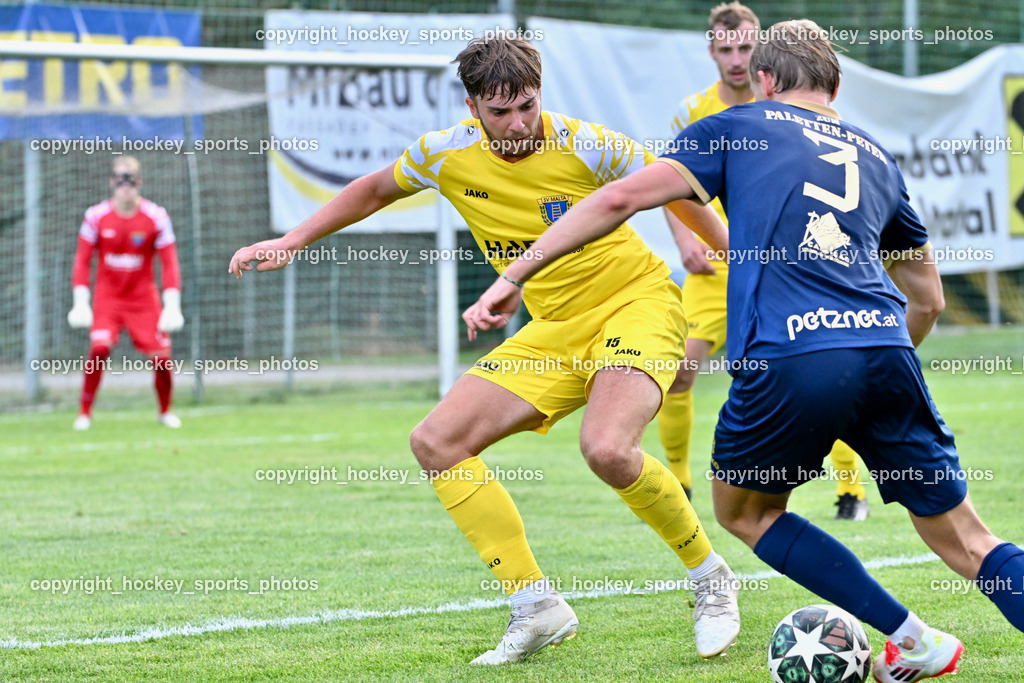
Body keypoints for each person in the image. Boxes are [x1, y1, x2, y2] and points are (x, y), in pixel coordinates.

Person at [467, 19, 1024, 682]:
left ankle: (912, 635)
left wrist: (512, 276)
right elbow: (927, 299)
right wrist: (871, 368)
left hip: (789, 353)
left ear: (761, 80)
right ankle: (922, 638)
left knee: (745, 510)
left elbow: (618, 198)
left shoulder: (735, 125)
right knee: (969, 538)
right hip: (885, 347)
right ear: (835, 86)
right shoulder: (875, 155)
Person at [229, 36, 740, 665]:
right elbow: (373, 190)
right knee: (436, 442)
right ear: (471, 105)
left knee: (607, 448)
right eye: (500, 112)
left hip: (636, 303)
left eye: (527, 105)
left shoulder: (589, 142)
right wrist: (294, 238)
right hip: (553, 326)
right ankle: (535, 604)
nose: (518, 123)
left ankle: (710, 576)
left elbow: (679, 191)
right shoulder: (445, 154)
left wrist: (738, 264)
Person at [658, 2, 869, 521]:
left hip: (782, 264)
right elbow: (668, 181)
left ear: (763, 54)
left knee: (817, 369)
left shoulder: (787, 104)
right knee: (681, 368)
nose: (736, 59)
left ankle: (850, 491)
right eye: (725, 48)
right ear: (711, 50)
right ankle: (680, 483)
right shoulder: (694, 110)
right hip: (718, 259)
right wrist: (687, 240)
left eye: (745, 48)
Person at [67, 156, 184, 430]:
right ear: (111, 183)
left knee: (162, 356)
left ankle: (165, 411)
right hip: (108, 297)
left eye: (130, 179)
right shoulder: (95, 216)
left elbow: (170, 262)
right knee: (99, 349)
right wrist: (80, 302)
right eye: (120, 179)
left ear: (139, 183)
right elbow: (82, 260)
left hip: (143, 297)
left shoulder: (156, 217)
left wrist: (172, 304)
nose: (125, 185)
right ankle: (84, 412)